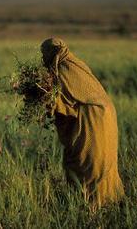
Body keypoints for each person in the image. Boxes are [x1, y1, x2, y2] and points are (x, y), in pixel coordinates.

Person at [41, 37, 125, 207]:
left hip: (93, 119)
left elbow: (59, 100)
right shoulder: (76, 64)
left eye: (45, 54)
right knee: (101, 160)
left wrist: (40, 95)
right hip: (103, 115)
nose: (43, 59)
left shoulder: (65, 70)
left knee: (89, 162)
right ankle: (109, 202)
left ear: (52, 54)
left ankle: (93, 207)